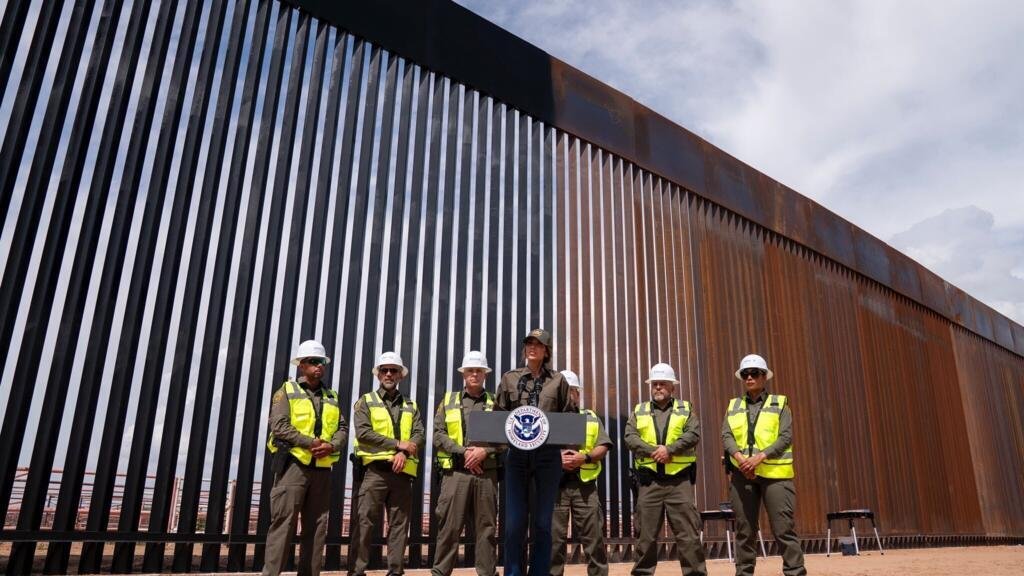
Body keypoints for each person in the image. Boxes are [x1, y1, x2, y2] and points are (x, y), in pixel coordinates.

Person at [263, 340, 348, 576]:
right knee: (283, 524)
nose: (318, 366)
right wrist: (310, 443)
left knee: (317, 527)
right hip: (293, 466)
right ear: (301, 365)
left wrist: (331, 445)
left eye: (321, 362)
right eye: (312, 362)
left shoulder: (332, 396)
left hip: (321, 470)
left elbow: (342, 428)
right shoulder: (286, 392)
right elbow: (279, 426)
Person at [495, 328, 574, 576]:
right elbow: (498, 416)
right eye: (529, 343)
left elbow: (569, 416)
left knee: (542, 523)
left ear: (546, 350)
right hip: (517, 457)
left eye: (538, 344)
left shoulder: (558, 380)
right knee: (514, 523)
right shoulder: (509, 378)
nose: (532, 347)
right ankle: (513, 573)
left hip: (548, 457)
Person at [721, 354, 806, 576]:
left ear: (764, 376)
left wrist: (759, 458)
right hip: (742, 474)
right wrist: (741, 459)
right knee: (744, 531)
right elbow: (726, 435)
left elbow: (785, 437)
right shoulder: (734, 405)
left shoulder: (779, 403)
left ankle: (795, 572)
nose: (750, 377)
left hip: (775, 475)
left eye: (755, 373)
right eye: (745, 374)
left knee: (783, 529)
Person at [625, 363, 707, 576]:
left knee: (688, 535)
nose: (658, 387)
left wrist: (669, 450)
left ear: (673, 387)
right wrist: (655, 451)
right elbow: (630, 437)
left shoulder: (686, 409)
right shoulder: (639, 410)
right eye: (655, 384)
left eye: (663, 384)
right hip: (649, 482)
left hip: (679, 482)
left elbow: (693, 435)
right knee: (645, 536)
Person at [350, 351, 425, 576]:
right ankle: (356, 571)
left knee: (399, 526)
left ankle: (395, 571)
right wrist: (398, 445)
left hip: (402, 473)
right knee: (364, 523)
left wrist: (403, 452)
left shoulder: (411, 405)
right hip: (374, 473)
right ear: (378, 374)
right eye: (385, 370)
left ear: (401, 375)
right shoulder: (366, 401)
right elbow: (363, 433)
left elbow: (419, 434)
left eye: (394, 370)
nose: (389, 374)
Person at [430, 350, 500, 576]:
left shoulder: (496, 403)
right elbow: (438, 435)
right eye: (471, 370)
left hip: (486, 474)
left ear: (485, 375)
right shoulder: (448, 401)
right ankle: (441, 572)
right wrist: (464, 452)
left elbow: (507, 439)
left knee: (486, 529)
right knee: (449, 527)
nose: (475, 374)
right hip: (456, 474)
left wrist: (484, 452)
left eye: (479, 370)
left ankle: (487, 573)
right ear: (464, 374)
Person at [550, 370, 613, 576]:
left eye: (573, 391)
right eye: (564, 391)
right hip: (555, 487)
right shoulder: (546, 418)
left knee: (594, 539)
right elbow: (535, 449)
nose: (569, 395)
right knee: (553, 540)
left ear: (578, 394)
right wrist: (556, 458)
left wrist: (583, 458)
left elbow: (603, 445)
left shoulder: (591, 417)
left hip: (584, 486)